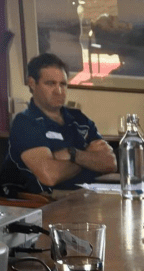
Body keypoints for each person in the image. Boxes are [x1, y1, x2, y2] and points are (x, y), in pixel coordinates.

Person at [0, 53, 116, 197]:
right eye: (50, 84)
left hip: (88, 196)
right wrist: (89, 160)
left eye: (63, 84)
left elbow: (110, 163)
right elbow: (50, 176)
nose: (59, 91)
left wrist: (72, 154)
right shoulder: (25, 122)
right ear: (32, 83)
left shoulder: (79, 119)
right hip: (44, 202)